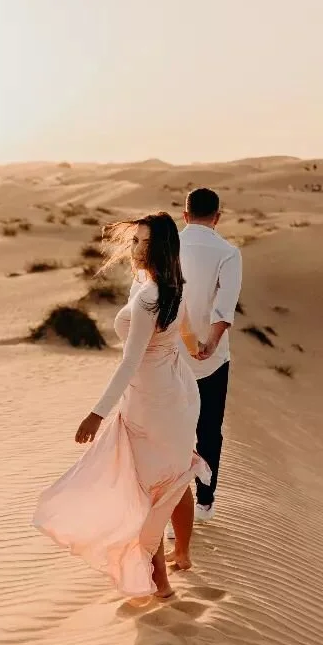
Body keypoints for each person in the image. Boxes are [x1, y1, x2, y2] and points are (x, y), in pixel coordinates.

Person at [32, 212, 211, 599]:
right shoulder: (173, 286)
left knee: (145, 488)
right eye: (135, 241)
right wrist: (196, 347)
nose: (136, 249)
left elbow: (130, 361)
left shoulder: (149, 297)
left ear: (162, 248)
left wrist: (96, 414)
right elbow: (184, 331)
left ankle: (159, 582)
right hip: (177, 393)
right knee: (170, 478)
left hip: (152, 400)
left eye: (145, 243)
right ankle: (175, 559)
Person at [175, 187, 243, 525]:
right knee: (209, 429)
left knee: (173, 429)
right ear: (217, 217)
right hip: (212, 360)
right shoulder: (228, 252)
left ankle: (172, 503)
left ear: (185, 216)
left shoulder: (166, 246)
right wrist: (211, 343)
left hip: (168, 356)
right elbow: (224, 304)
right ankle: (204, 502)